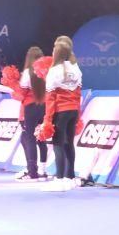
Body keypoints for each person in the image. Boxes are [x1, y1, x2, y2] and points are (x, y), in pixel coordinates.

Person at [0, 46, 50, 181]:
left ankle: (32, 172)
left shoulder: (28, 72)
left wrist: (10, 88)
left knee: (30, 138)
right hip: (45, 106)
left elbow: (21, 93)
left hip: (31, 107)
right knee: (41, 138)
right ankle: (42, 171)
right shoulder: (48, 70)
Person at [37, 40, 83, 192]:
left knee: (58, 144)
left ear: (56, 53)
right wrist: (78, 114)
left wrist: (47, 120)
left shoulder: (54, 70)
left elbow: (50, 99)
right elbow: (78, 94)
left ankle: (59, 180)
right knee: (69, 143)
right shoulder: (76, 68)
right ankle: (70, 178)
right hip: (73, 111)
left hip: (60, 112)